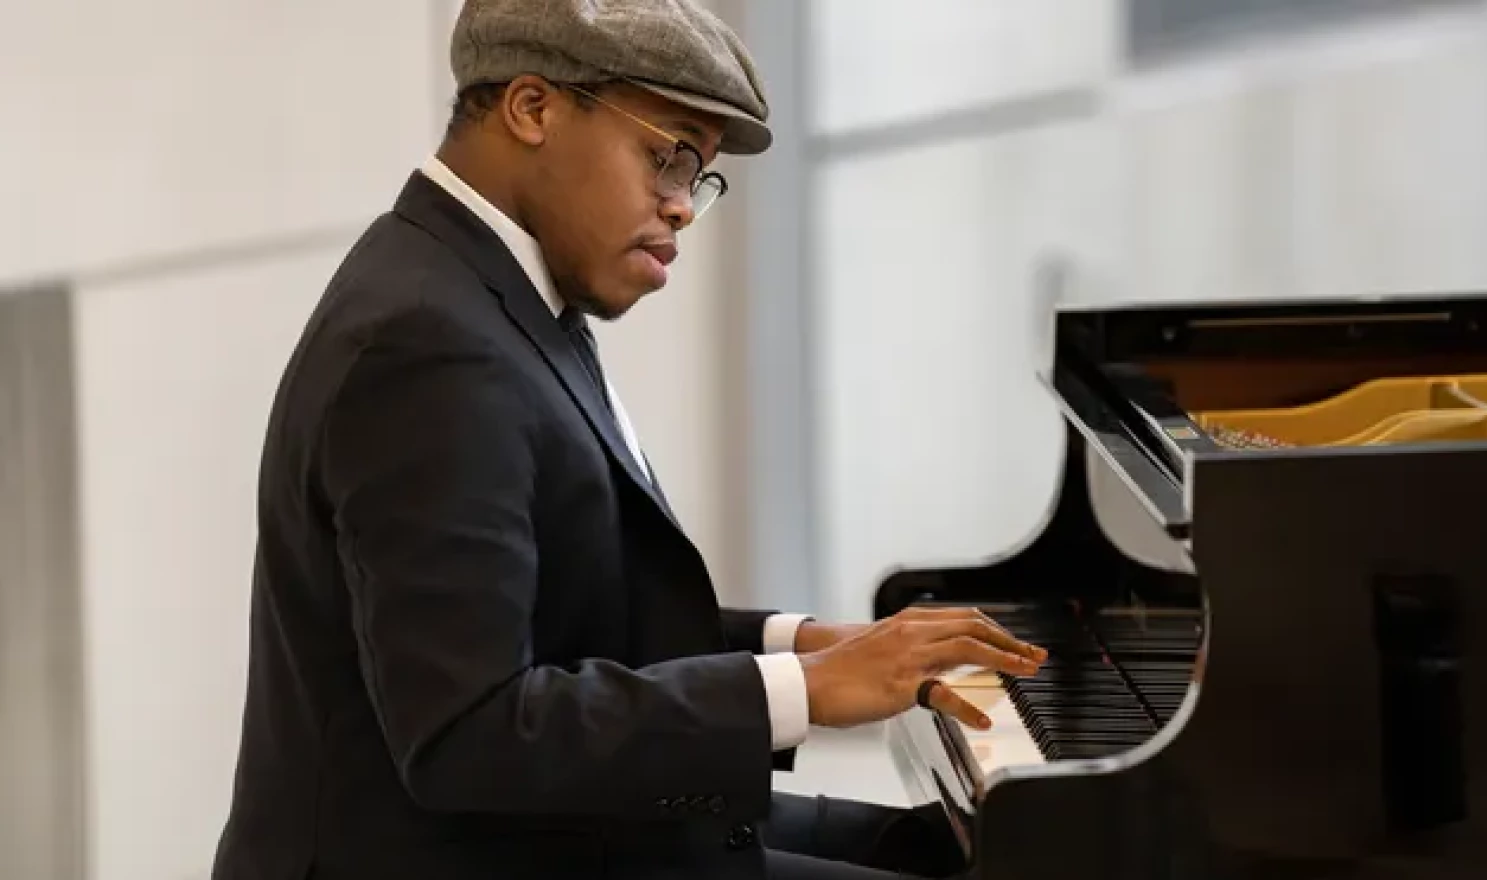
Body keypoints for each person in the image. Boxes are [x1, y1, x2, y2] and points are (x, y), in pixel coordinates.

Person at [210, 2, 1048, 879]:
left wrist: (799, 646)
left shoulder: (488, 289)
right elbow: (470, 734)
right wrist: (808, 694)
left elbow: (561, 613)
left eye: (701, 175)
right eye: (667, 155)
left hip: (540, 835)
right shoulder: (427, 341)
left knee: (993, 852)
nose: (683, 207)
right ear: (532, 108)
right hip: (459, 852)